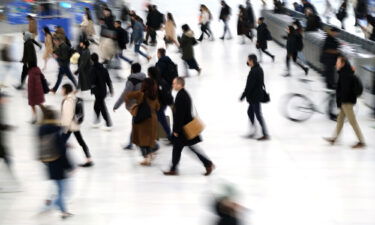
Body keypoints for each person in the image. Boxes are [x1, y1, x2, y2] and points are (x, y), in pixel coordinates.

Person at [163, 77, 214, 176]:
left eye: (174, 83)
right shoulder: (183, 94)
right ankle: (174, 168)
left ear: (180, 84)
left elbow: (180, 115)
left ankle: (208, 163)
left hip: (183, 130)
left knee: (186, 148)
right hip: (184, 128)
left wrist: (176, 130)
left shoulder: (181, 96)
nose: (173, 85)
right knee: (180, 148)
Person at [38, 107, 73, 219]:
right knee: (64, 190)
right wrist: (69, 166)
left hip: (48, 161)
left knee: (59, 189)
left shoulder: (41, 129)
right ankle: (48, 207)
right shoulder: (55, 129)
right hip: (59, 163)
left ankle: (64, 212)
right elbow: (61, 149)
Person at [324, 55, 366, 149]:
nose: (336, 64)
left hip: (347, 102)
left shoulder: (345, 75)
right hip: (345, 101)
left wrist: (342, 101)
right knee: (340, 120)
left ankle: (361, 141)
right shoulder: (344, 72)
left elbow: (345, 90)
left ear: (342, 64)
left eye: (338, 62)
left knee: (352, 122)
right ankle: (334, 138)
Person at [125, 78, 160, 166]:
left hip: (142, 120)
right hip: (153, 119)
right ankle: (150, 154)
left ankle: (146, 158)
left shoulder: (141, 94)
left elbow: (127, 96)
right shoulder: (154, 95)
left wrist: (132, 107)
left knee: (140, 139)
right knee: (148, 139)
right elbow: (158, 107)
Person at [113, 63, 146, 149]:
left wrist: (116, 105)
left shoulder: (132, 81)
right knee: (137, 123)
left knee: (136, 123)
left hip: (135, 105)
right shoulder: (144, 79)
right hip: (143, 104)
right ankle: (132, 142)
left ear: (132, 69)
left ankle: (149, 144)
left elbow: (125, 94)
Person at [60, 83, 93, 167]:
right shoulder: (75, 98)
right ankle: (89, 159)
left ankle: (62, 162)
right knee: (81, 142)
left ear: (65, 90)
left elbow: (68, 115)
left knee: (60, 143)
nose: (61, 91)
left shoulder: (68, 100)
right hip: (75, 125)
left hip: (69, 126)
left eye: (62, 89)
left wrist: (64, 128)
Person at [240, 54, 269, 141]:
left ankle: (265, 134)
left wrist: (243, 95)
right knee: (250, 112)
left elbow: (249, 86)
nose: (247, 62)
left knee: (258, 115)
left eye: (248, 60)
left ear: (252, 61)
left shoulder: (254, 71)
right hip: (256, 95)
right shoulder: (258, 69)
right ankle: (253, 130)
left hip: (254, 97)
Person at [147, 66, 173, 142]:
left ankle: (169, 135)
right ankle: (158, 135)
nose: (147, 74)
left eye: (148, 72)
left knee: (160, 119)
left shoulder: (154, 82)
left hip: (159, 104)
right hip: (163, 103)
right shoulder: (161, 80)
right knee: (158, 119)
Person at [320, 27, 340, 120]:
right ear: (332, 32)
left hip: (329, 67)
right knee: (332, 91)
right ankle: (331, 113)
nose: (336, 34)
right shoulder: (329, 39)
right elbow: (327, 49)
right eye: (335, 32)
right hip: (329, 68)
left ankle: (330, 111)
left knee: (332, 91)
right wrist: (337, 51)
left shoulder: (329, 38)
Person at [90, 53, 113, 130]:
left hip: (97, 91)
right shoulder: (104, 69)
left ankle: (108, 123)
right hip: (103, 91)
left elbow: (92, 81)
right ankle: (97, 121)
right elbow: (108, 81)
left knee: (102, 108)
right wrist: (111, 89)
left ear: (92, 60)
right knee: (96, 106)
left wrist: (91, 87)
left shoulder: (93, 69)